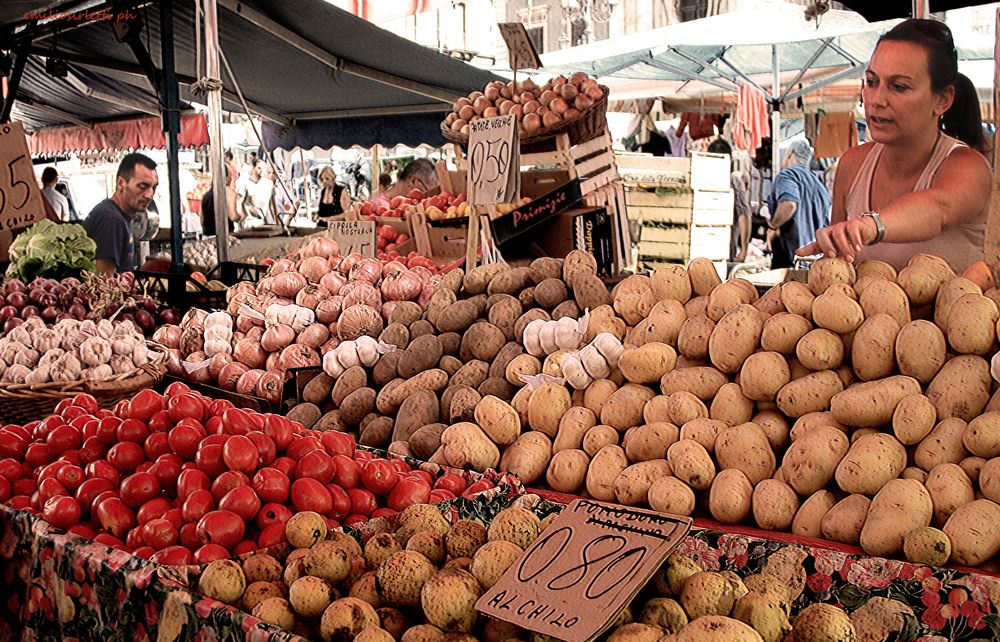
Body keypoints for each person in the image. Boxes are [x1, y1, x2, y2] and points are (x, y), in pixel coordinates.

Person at [797, 19, 991, 272]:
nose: (877, 100)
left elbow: (937, 208)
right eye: (871, 82)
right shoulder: (853, 164)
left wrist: (869, 226)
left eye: (899, 87)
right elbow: (838, 261)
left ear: (942, 100)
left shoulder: (968, 166)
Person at [83, 153, 158, 276]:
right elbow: (104, 282)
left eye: (153, 188)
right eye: (142, 186)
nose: (149, 195)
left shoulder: (118, 215)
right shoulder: (111, 220)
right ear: (121, 183)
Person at [767, 139, 831, 269]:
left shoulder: (788, 175)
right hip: (814, 260)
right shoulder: (819, 185)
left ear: (790, 153)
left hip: (791, 258)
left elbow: (789, 204)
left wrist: (773, 226)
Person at [707, 138, 752, 262]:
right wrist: (744, 249)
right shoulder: (733, 180)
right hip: (724, 253)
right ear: (730, 159)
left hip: (701, 249)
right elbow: (744, 215)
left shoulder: (701, 179)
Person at [368, 158, 438, 211]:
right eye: (427, 191)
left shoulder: (408, 208)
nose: (427, 198)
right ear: (413, 181)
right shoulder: (377, 206)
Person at [201, 166, 238, 237]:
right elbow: (233, 216)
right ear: (227, 177)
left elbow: (202, 219)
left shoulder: (206, 195)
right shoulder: (227, 192)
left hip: (207, 235)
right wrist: (242, 215)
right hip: (224, 236)